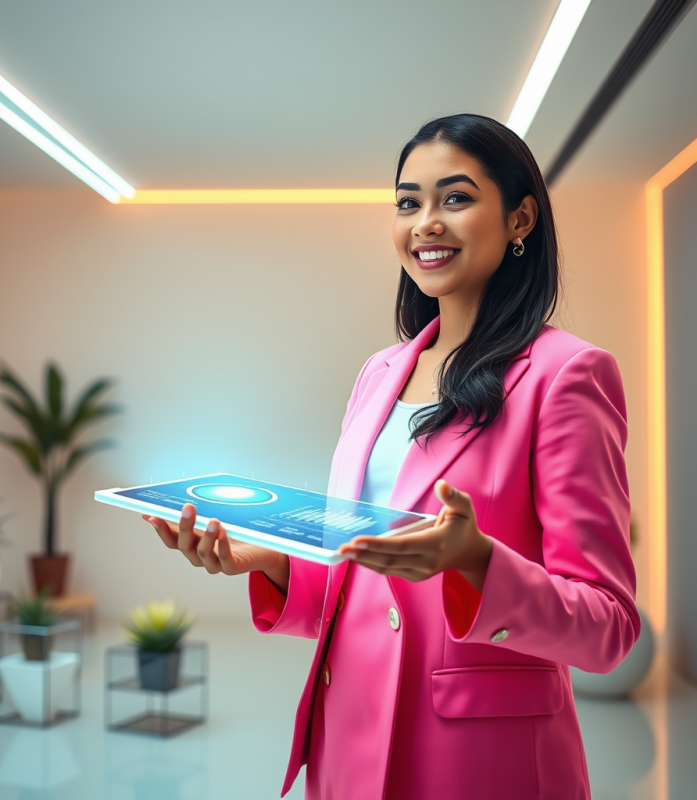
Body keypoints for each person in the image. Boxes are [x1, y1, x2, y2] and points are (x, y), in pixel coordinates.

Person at [143, 113, 640, 800]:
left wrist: (478, 562)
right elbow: (366, 584)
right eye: (408, 203)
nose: (426, 223)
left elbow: (609, 627)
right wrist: (272, 562)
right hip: (348, 740)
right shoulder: (379, 373)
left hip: (479, 761)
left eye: (455, 198)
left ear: (520, 218)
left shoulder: (568, 375)